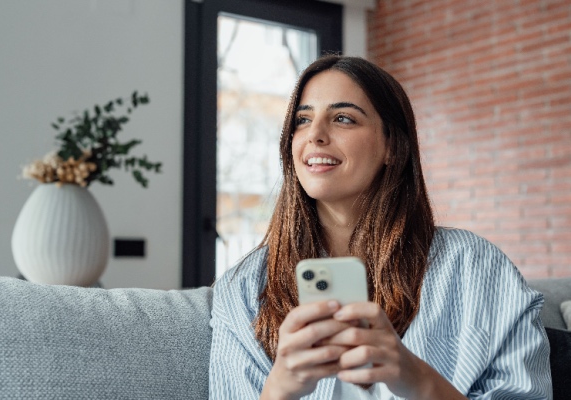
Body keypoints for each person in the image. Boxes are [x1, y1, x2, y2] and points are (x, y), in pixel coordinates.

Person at [209, 55, 552, 399]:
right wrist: (278, 390)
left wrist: (416, 378)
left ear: (392, 145)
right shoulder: (243, 290)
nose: (314, 135)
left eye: (342, 118)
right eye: (302, 119)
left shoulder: (477, 268)